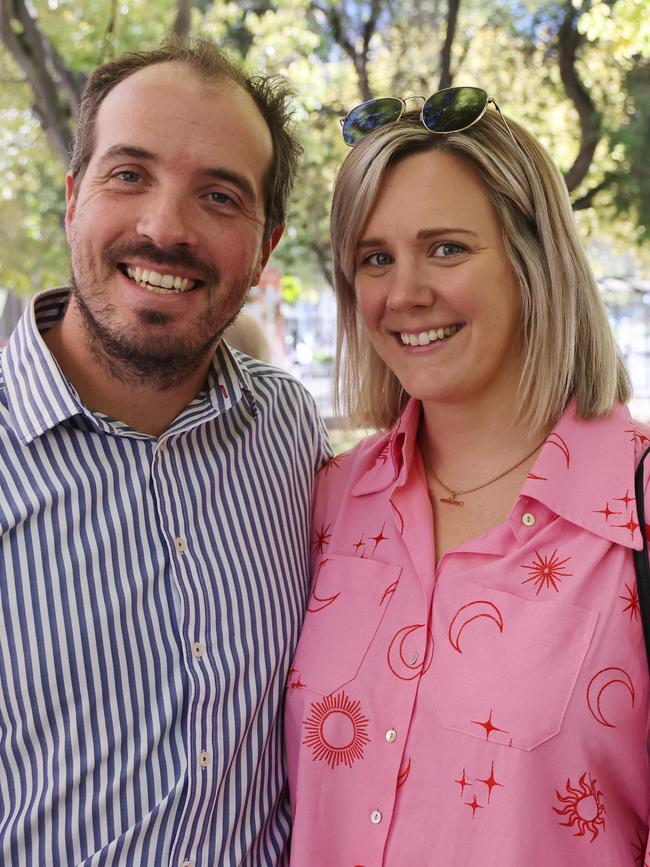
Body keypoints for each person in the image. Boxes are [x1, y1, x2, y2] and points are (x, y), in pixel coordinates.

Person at [284, 87, 649, 866]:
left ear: (532, 262)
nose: (404, 293)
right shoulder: (328, 500)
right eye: (375, 258)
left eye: (446, 247)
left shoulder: (637, 510)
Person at [0, 38, 330, 866]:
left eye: (219, 196)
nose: (163, 228)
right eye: (128, 175)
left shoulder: (290, 433)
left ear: (265, 246)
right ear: (75, 197)